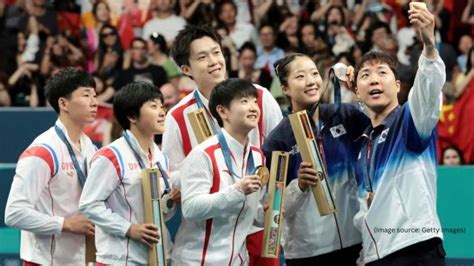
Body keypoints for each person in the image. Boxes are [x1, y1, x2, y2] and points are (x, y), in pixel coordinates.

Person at [163, 24, 282, 265]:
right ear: (186, 68)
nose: (214, 61)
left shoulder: (259, 97)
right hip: (210, 231)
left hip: (256, 224)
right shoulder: (177, 117)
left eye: (216, 52)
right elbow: (170, 175)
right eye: (202, 57)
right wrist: (191, 180)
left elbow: (280, 155)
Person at [352, 5, 446, 265]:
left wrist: (429, 46)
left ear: (397, 86)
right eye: (365, 75)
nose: (374, 80)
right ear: (357, 92)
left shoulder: (411, 120)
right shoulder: (362, 145)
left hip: (415, 249)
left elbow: (428, 88)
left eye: (382, 73)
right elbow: (363, 210)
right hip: (375, 256)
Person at [262, 54, 369, 265]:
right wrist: (299, 186)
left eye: (314, 73)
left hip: (355, 241)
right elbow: (272, 208)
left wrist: (359, 87)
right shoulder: (278, 140)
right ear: (285, 88)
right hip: (308, 252)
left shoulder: (347, 115)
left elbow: (384, 123)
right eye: (300, 76)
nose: (311, 81)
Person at [4, 67, 98, 265]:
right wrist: (66, 224)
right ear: (63, 103)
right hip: (45, 260)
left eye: (95, 95)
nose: (94, 102)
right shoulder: (43, 151)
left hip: (81, 257)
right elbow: (14, 213)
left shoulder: (90, 146)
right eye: (86, 95)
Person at [79, 81, 178, 265]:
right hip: (118, 260)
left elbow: (158, 213)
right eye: (153, 106)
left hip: (154, 257)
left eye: (161, 105)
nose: (162, 112)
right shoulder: (111, 156)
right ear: (132, 116)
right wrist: (128, 229)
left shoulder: (160, 157)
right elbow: (88, 205)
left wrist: (170, 202)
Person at [172, 78, 265, 265]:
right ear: (222, 111)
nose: (254, 107)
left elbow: (252, 215)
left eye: (255, 101)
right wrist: (237, 190)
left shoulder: (257, 156)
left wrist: (274, 210)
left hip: (239, 260)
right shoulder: (202, 154)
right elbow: (191, 208)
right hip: (197, 261)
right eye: (244, 101)